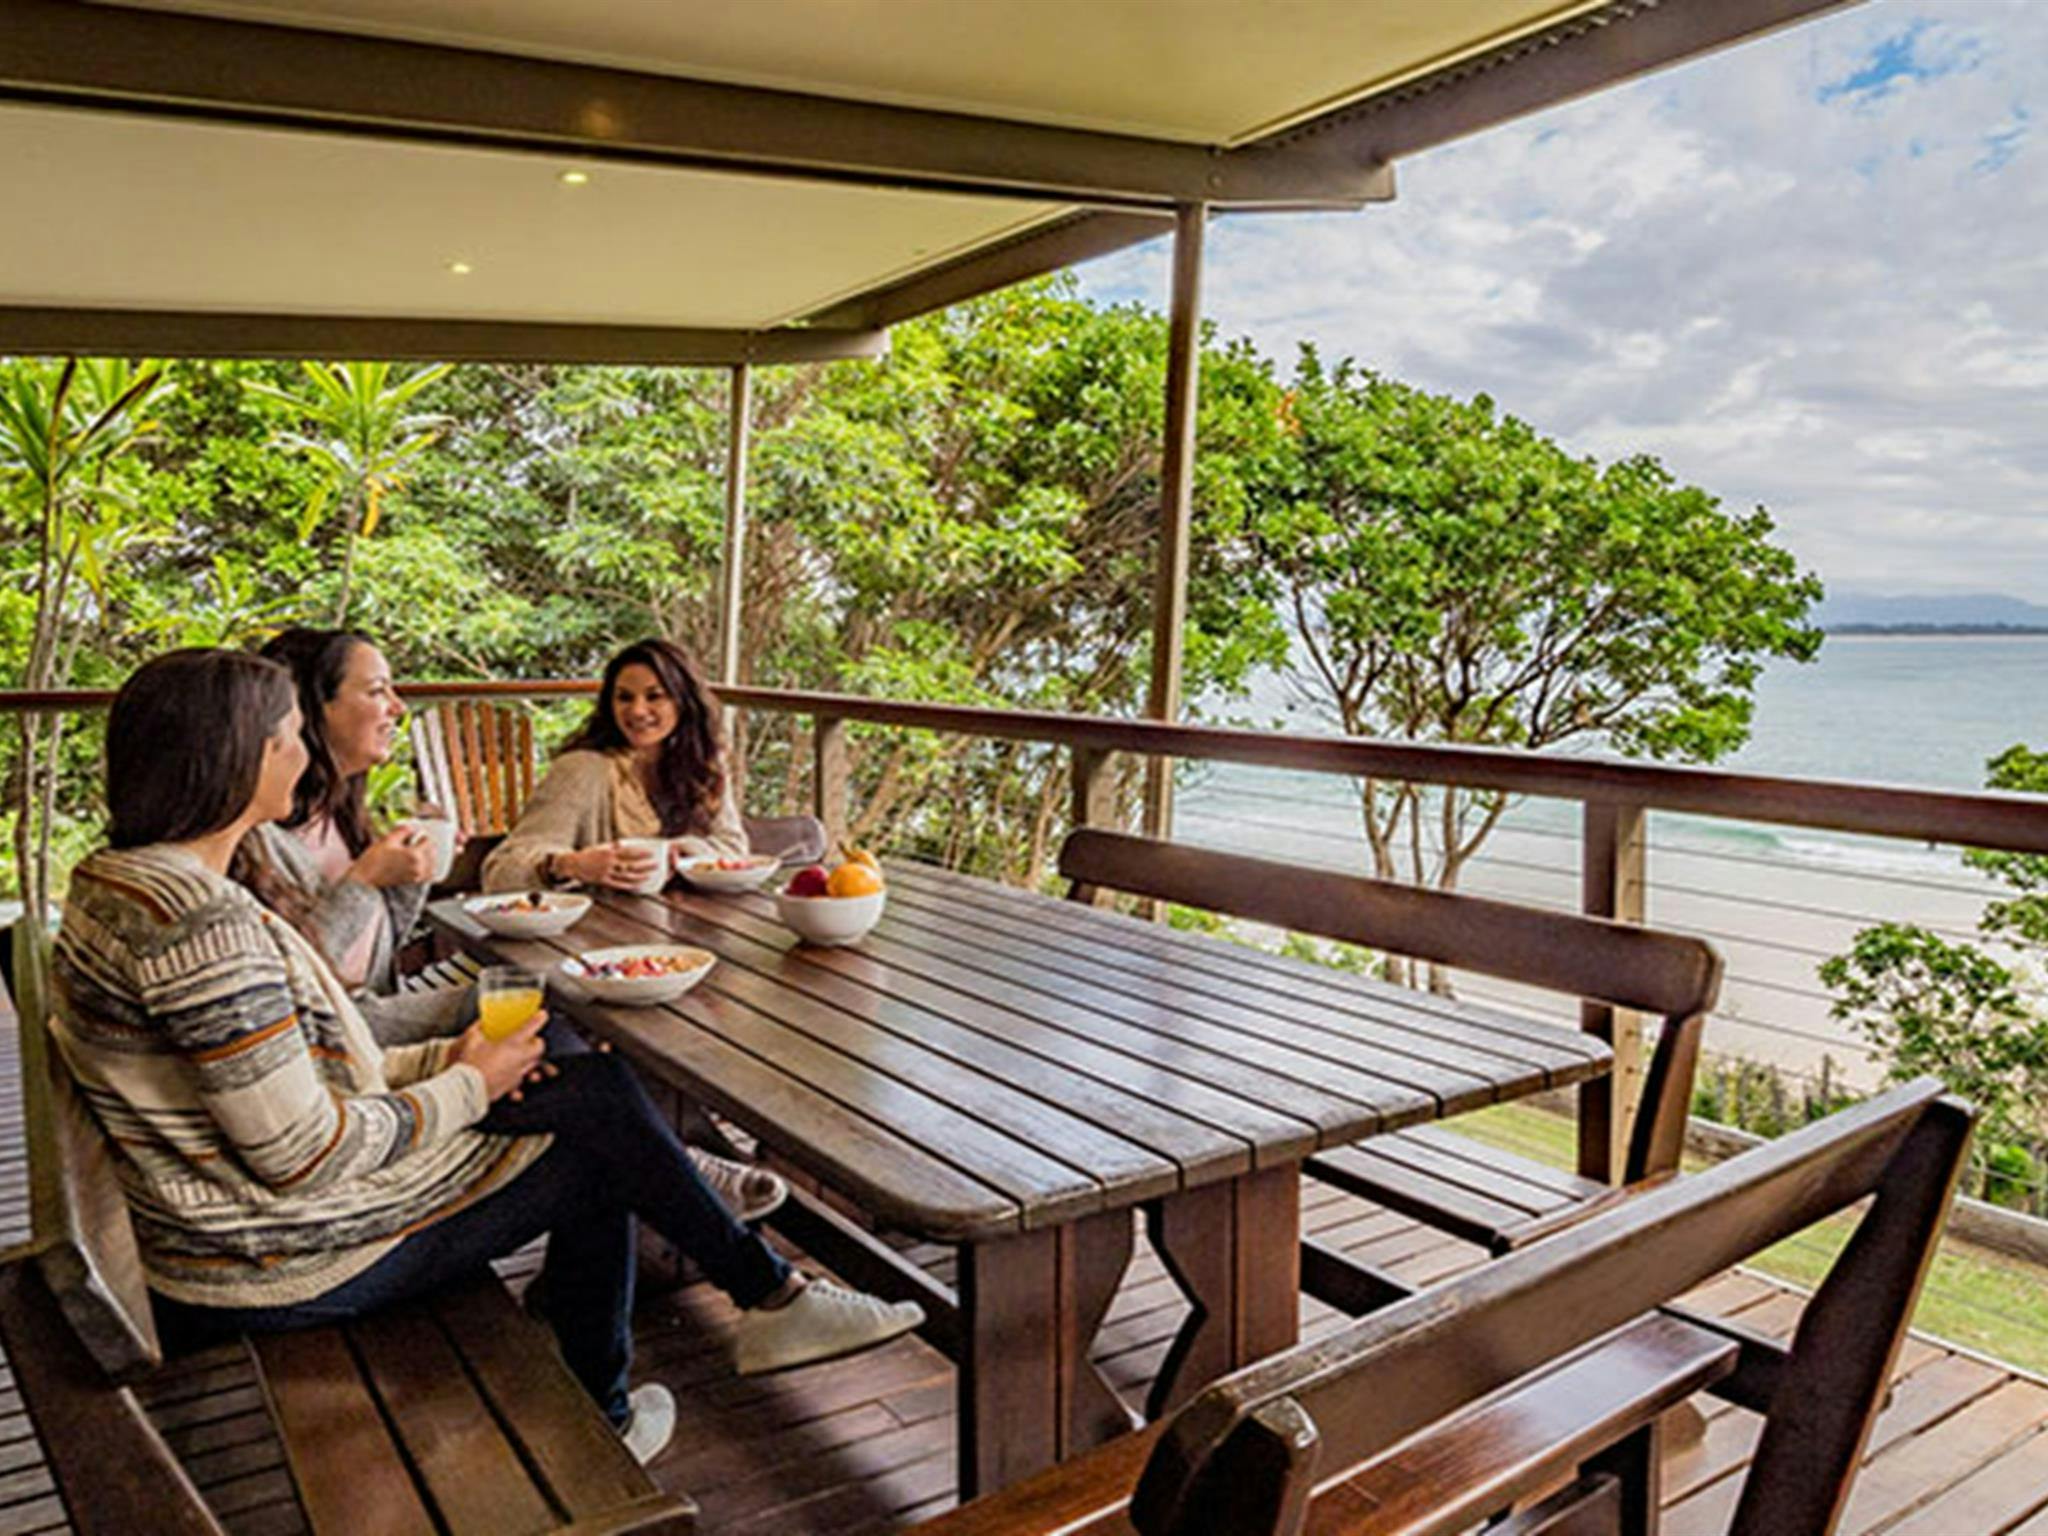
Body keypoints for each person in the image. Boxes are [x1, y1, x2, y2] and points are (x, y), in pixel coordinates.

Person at [49, 650, 924, 1466]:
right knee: (597, 1147)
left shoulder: (121, 882)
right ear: (234, 758)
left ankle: (764, 1299)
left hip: (226, 1223)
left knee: (593, 1090)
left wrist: (455, 1059)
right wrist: (469, 1084)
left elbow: (298, 1069)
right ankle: (672, 1370)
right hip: (277, 1258)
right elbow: (303, 1154)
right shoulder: (201, 926)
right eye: (288, 736)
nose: (303, 753)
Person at [229, 628, 452, 1043]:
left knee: (540, 1003)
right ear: (312, 708)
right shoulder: (253, 836)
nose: (398, 707)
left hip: (373, 1017)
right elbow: (296, 987)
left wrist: (410, 874)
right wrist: (363, 881)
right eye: (377, 691)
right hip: (333, 1040)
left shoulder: (339, 811)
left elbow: (375, 958)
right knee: (540, 1006)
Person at [483, 637, 820, 894]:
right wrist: (569, 865)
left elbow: (733, 849)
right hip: (596, 939)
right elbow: (500, 873)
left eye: (654, 696)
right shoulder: (582, 770)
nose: (637, 710)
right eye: (624, 697)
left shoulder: (703, 764)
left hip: (692, 928)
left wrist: (680, 853)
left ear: (683, 702)